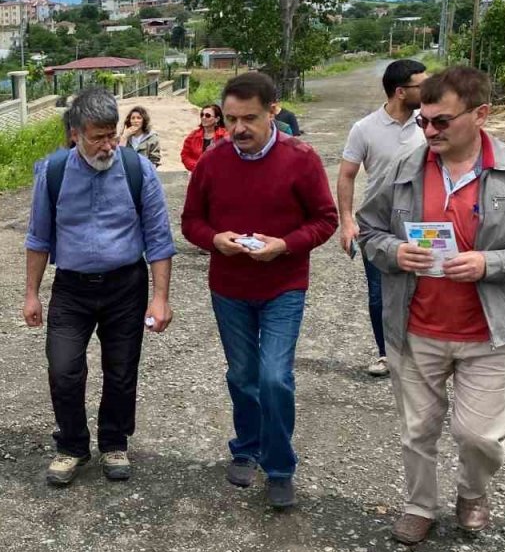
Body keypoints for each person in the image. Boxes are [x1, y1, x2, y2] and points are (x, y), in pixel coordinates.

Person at [357, 67, 505, 545]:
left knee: (480, 437)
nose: (429, 131)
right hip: (416, 327)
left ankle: (472, 492)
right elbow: (367, 231)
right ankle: (419, 506)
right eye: (423, 122)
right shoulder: (400, 170)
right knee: (418, 430)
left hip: (489, 334)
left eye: (441, 122)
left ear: (480, 115)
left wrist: (490, 263)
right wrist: (394, 252)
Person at [180, 72, 337, 509]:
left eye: (248, 118)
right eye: (230, 119)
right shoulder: (213, 161)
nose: (237, 129)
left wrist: (284, 245)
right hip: (229, 287)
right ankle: (247, 447)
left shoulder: (301, 158)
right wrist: (215, 240)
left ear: (273, 111)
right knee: (243, 376)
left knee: (274, 377)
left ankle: (281, 466)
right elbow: (191, 221)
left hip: (283, 284)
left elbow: (325, 219)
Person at [23, 87, 176, 486]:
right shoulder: (53, 172)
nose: (108, 145)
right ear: (75, 133)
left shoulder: (137, 169)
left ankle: (114, 441)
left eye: (113, 134)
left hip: (125, 286)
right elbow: (38, 238)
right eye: (98, 137)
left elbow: (159, 238)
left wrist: (160, 298)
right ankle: (72, 445)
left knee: (122, 369)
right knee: (63, 369)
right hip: (71, 289)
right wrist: (31, 294)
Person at [337, 59, 428, 378]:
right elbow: (347, 175)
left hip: (423, 221)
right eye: (421, 85)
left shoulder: (428, 124)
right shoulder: (365, 128)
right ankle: (386, 353)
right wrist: (346, 221)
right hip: (378, 225)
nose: (428, 90)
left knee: (425, 288)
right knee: (380, 293)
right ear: (401, 92)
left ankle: (423, 353)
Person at [181, 103, 227, 172]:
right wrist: (198, 166)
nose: (204, 117)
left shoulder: (226, 136)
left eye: (207, 115)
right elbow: (185, 155)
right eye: (202, 115)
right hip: (198, 175)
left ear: (217, 119)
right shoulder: (193, 136)